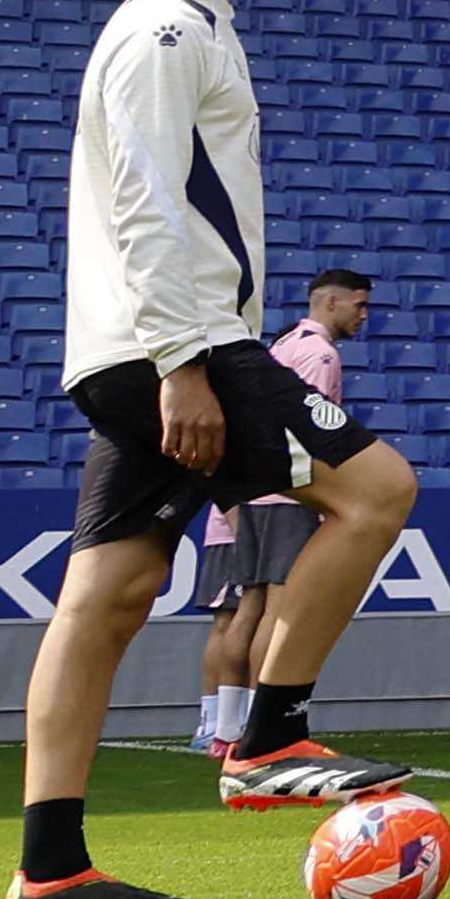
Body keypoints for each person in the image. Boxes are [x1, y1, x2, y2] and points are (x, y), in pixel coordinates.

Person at [8, 0, 421, 899]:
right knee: (379, 490)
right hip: (177, 345)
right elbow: (145, 202)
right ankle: (270, 738)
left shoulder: (190, 29)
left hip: (138, 348)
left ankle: (48, 872)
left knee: (107, 595)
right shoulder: (166, 30)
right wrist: (185, 365)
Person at [186, 264, 368, 756]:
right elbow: (309, 427)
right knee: (280, 611)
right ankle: (264, 728)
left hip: (253, 492)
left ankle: (226, 728)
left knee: (246, 608)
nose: (363, 316)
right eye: (359, 305)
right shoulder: (320, 354)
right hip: (289, 492)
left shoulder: (281, 346)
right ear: (330, 302)